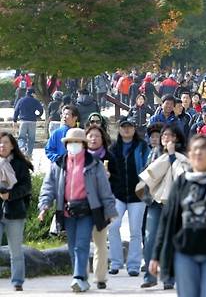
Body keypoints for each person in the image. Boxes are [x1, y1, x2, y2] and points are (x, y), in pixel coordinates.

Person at [148, 135, 206, 297]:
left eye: (203, 149)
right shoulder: (182, 182)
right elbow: (168, 221)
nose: (198, 153)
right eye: (194, 150)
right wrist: (156, 255)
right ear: (189, 155)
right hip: (184, 253)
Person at [38, 128, 117, 293]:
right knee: (72, 246)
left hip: (87, 211)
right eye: (70, 142)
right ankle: (81, 277)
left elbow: (104, 189)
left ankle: (78, 278)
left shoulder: (94, 164)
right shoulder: (58, 164)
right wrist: (44, 205)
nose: (73, 145)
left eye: (77, 142)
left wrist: (110, 211)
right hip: (67, 211)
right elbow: (49, 187)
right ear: (66, 144)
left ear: (83, 144)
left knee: (81, 245)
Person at [139, 125, 188, 290]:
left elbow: (182, 175)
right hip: (155, 202)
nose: (166, 138)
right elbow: (146, 174)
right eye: (164, 135)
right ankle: (150, 275)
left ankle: (169, 277)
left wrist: (172, 155)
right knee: (150, 238)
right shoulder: (154, 153)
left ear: (178, 138)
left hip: (175, 203)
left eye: (171, 135)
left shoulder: (184, 156)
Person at [107, 117, 149, 277]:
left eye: (130, 126)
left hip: (137, 194)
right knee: (113, 226)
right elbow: (107, 168)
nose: (126, 129)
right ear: (119, 129)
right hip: (117, 194)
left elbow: (149, 166)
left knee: (135, 230)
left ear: (134, 129)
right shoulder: (113, 148)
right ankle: (116, 262)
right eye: (123, 126)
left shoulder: (142, 146)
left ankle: (133, 265)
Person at [0, 132, 33, 291]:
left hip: (14, 212)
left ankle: (17, 281)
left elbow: (26, 188)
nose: (2, 146)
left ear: (12, 145)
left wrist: (10, 195)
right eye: (0, 143)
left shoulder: (20, 165)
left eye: (6, 142)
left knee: (15, 250)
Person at [85, 125, 117, 289]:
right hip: (83, 206)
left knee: (100, 244)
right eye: (90, 136)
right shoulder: (80, 158)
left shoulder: (109, 157)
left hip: (101, 206)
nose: (93, 139)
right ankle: (81, 276)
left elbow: (118, 180)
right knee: (82, 244)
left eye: (97, 136)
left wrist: (109, 178)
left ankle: (100, 277)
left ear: (102, 138)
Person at [12, 88, 43, 159]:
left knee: (22, 137)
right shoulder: (35, 101)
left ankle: (22, 148)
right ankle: (29, 154)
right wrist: (37, 116)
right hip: (32, 121)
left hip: (23, 121)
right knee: (31, 138)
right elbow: (41, 110)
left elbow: (16, 110)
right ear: (32, 94)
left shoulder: (21, 100)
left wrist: (15, 120)